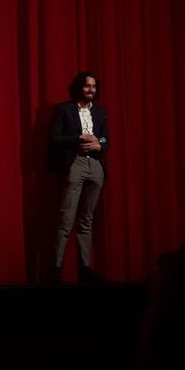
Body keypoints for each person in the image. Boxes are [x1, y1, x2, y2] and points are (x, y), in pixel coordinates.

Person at [49, 71, 108, 283]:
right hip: (75, 163)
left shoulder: (100, 112)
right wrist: (78, 138)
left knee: (87, 219)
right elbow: (55, 138)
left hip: (95, 165)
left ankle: (84, 268)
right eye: (86, 86)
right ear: (78, 88)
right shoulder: (65, 109)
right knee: (66, 219)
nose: (90, 90)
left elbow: (105, 138)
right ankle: (56, 269)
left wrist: (99, 144)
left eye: (93, 86)